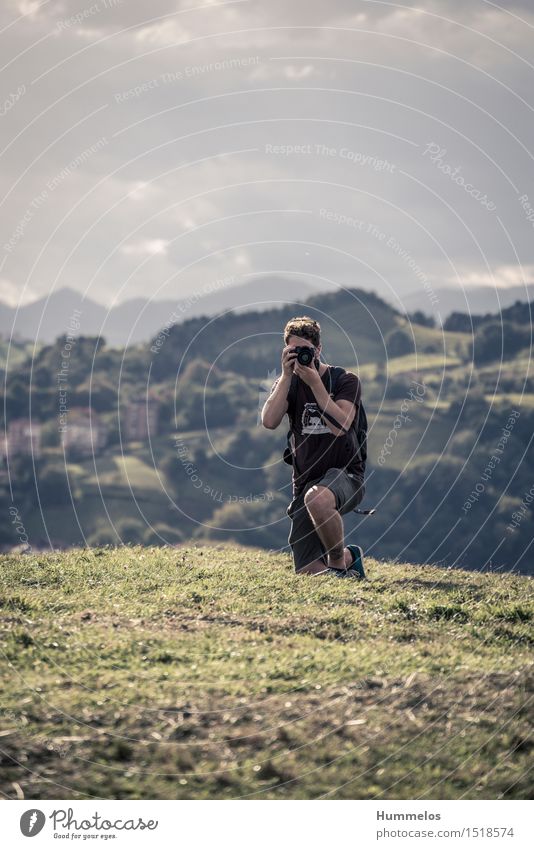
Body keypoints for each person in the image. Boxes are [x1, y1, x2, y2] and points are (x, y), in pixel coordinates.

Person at [261, 316, 366, 578]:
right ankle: (349, 557)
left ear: (318, 349)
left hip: (346, 475)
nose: (301, 356)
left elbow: (340, 426)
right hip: (305, 481)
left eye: (305, 350)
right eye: (293, 351)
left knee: (317, 498)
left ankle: (338, 565)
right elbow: (269, 421)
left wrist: (315, 384)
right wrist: (286, 377)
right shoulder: (287, 383)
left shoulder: (344, 380)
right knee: (309, 572)